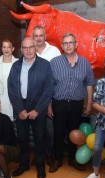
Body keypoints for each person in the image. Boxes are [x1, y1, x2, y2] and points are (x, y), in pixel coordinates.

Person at [49, 33, 96, 173]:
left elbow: (89, 84)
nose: (68, 45)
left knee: (74, 132)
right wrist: (48, 105)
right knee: (58, 132)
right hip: (59, 103)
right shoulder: (54, 62)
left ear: (76, 45)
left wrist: (89, 104)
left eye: (71, 43)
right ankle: (57, 159)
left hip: (77, 104)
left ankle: (72, 159)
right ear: (62, 46)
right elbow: (49, 86)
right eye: (65, 43)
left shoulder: (84, 62)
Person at [8, 37, 53, 178]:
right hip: (21, 107)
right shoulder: (15, 66)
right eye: (25, 48)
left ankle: (40, 167)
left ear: (36, 48)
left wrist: (37, 110)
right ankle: (24, 164)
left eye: (31, 47)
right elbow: (12, 89)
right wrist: (20, 109)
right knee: (22, 138)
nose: (28, 50)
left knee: (39, 139)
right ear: (21, 49)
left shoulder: (45, 65)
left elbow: (48, 90)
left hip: (38, 108)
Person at [31, 26, 61, 166]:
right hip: (33, 98)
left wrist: (49, 102)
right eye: (35, 36)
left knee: (49, 129)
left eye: (40, 35)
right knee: (37, 129)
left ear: (45, 36)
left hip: (50, 97)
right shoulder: (29, 50)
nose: (38, 38)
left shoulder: (54, 51)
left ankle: (49, 154)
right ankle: (39, 154)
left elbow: (57, 75)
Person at [0, 38, 18, 121]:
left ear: (12, 49)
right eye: (4, 47)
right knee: (0, 119)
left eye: (8, 47)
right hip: (0, 96)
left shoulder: (17, 62)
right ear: (1, 49)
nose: (6, 49)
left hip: (12, 96)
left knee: (12, 120)